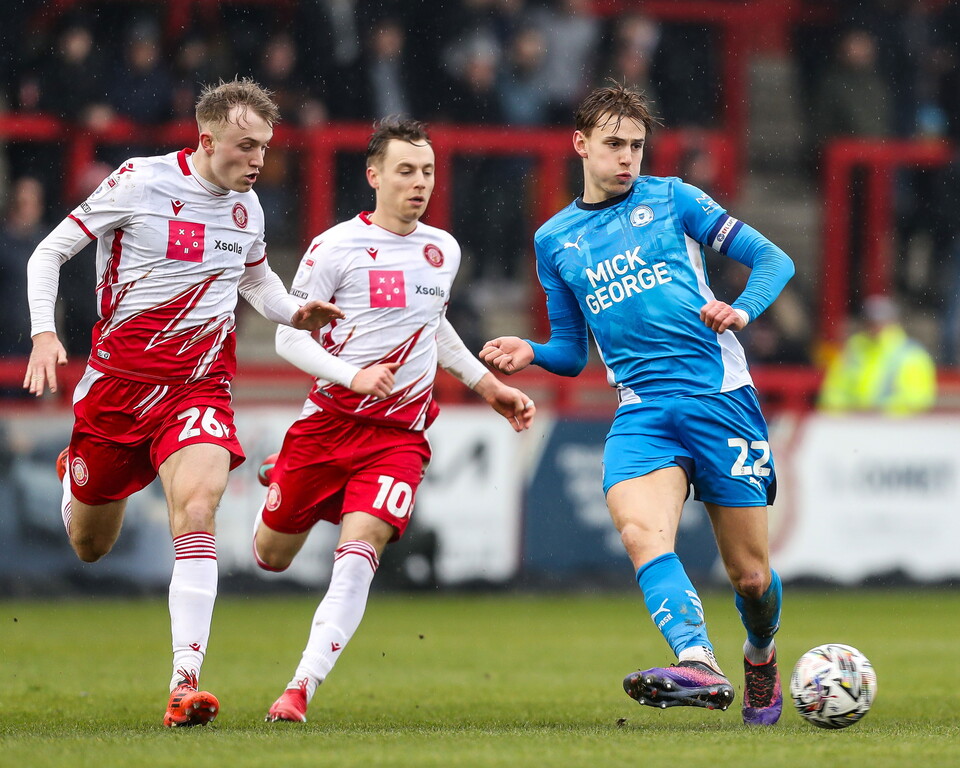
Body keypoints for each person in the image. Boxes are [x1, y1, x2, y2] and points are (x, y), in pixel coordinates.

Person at [23, 78, 343, 727]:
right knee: (89, 544)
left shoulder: (248, 208)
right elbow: (49, 251)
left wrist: (294, 311)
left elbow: (256, 279)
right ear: (206, 139)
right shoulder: (140, 181)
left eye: (265, 148)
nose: (258, 160)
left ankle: (184, 680)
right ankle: (75, 474)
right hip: (117, 391)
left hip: (197, 387)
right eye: (246, 146)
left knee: (199, 506)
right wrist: (44, 331)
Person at [480, 83, 795, 726]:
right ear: (580, 144)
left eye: (637, 146)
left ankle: (759, 655)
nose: (627, 158)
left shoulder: (674, 199)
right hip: (644, 411)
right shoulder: (555, 239)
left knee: (752, 580)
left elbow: (772, 258)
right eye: (614, 144)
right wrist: (533, 352)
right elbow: (572, 350)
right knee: (638, 531)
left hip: (720, 401)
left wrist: (741, 310)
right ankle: (696, 658)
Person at [253, 116, 536, 724]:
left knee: (359, 553)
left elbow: (433, 328)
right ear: (373, 175)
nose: (420, 183)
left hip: (398, 438)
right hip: (327, 425)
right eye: (406, 171)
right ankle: (284, 473)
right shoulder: (333, 248)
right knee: (271, 556)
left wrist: (487, 385)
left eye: (428, 171)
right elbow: (287, 340)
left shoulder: (443, 250)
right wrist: (349, 374)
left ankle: (300, 688)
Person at [819, 294, 937, 415]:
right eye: (870, 321)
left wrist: (879, 411)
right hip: (854, 426)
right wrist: (848, 412)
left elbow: (918, 400)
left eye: (880, 321)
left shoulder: (912, 355)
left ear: (893, 322)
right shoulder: (853, 349)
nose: (875, 326)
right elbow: (833, 392)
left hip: (896, 429)